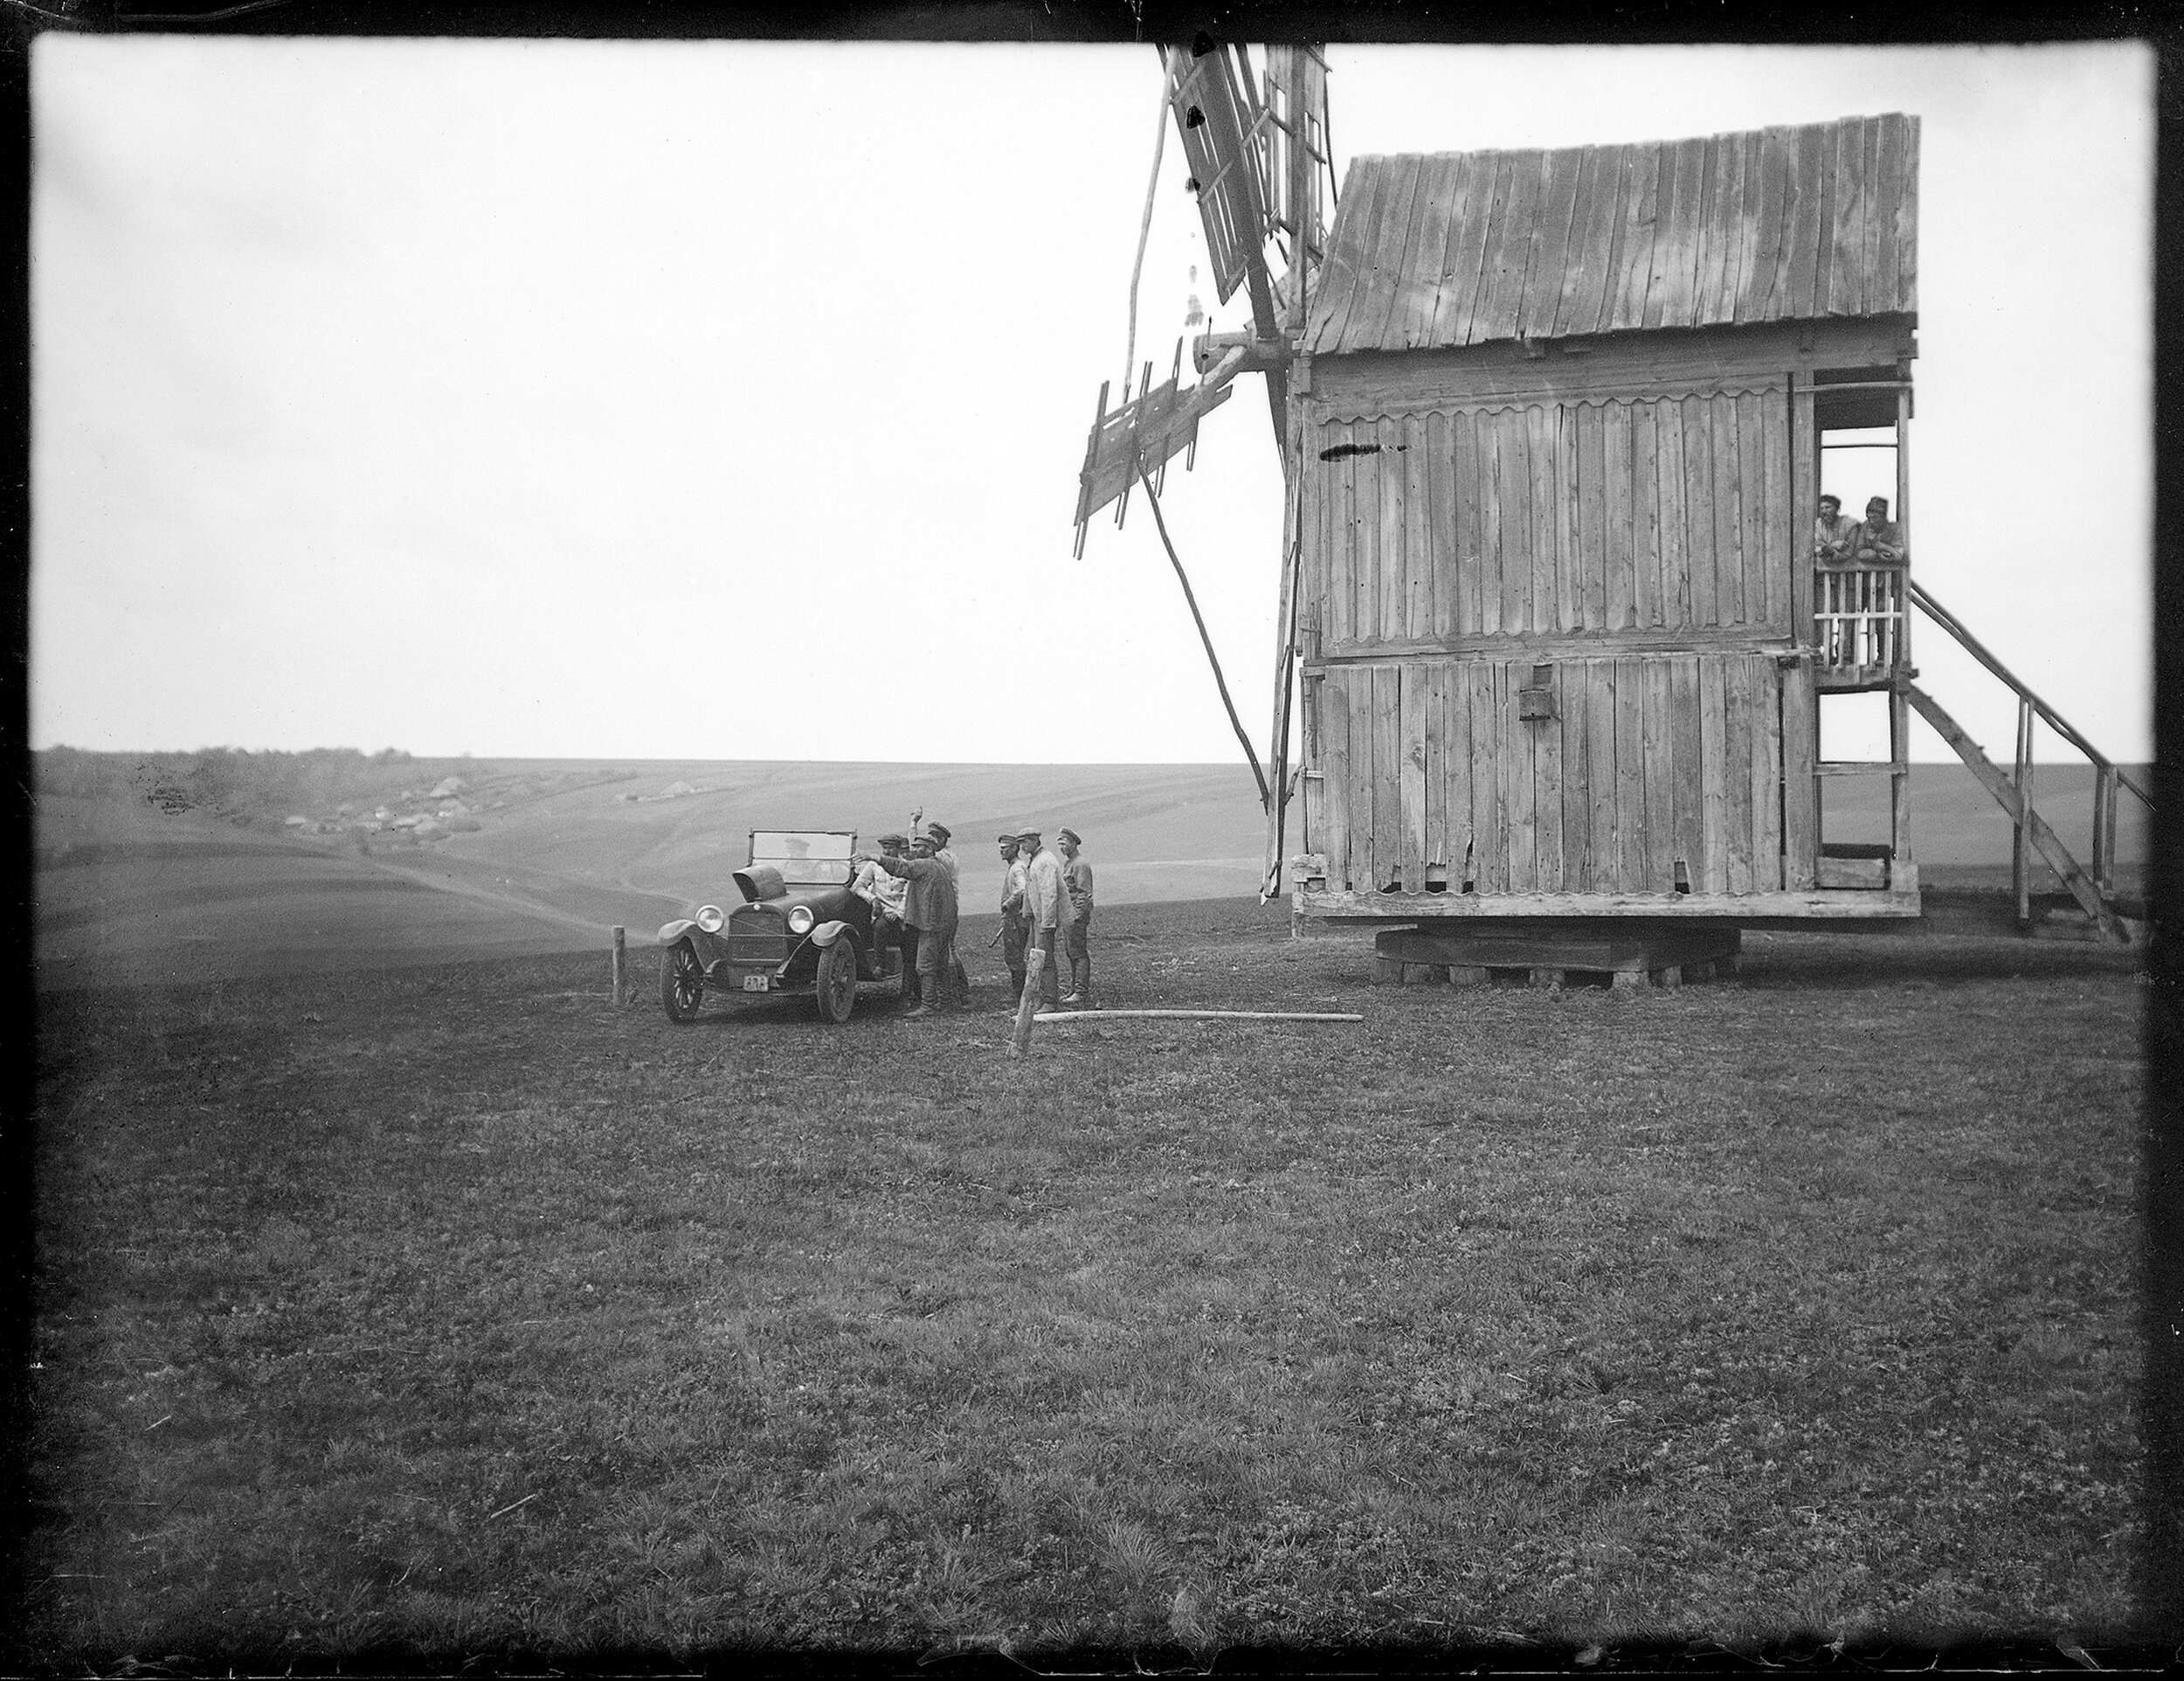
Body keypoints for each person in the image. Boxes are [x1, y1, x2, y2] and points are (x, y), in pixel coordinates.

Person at [860, 833, 960, 1017]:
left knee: (924, 965)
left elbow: (900, 867)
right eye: (914, 846)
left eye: (919, 846)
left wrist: (875, 857)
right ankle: (947, 1002)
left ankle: (929, 1004)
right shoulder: (938, 866)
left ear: (929, 849)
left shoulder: (925, 864)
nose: (914, 849)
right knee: (941, 963)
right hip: (943, 923)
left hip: (930, 925)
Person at [852, 833, 915, 999]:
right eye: (884, 848)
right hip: (883, 913)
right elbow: (857, 887)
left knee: (910, 948)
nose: (887, 852)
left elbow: (909, 894)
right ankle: (880, 966)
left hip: (904, 914)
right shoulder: (873, 866)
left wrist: (899, 913)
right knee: (880, 926)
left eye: (890, 848)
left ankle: (908, 991)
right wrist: (872, 899)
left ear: (898, 849)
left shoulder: (906, 866)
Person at [1018, 826, 1067, 1011]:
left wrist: (1047, 923)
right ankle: (1040, 999)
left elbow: (1049, 894)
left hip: (1044, 920)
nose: (1022, 846)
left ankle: (1050, 1001)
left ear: (1033, 840)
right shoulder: (1036, 860)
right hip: (1037, 919)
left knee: (1045, 960)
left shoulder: (1045, 861)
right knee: (1035, 958)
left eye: (1024, 842)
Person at [1056, 827, 1095, 1007]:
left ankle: (1080, 991)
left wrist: (1077, 916)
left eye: (1064, 843)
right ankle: (1074, 988)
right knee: (1071, 952)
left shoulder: (1080, 864)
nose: (1061, 847)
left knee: (1078, 953)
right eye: (1059, 844)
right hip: (1068, 914)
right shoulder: (1069, 863)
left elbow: (1084, 893)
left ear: (1073, 843)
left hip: (1075, 915)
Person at [997, 832, 1030, 1001]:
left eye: (1005, 848)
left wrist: (1008, 904)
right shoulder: (1014, 866)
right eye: (1000, 848)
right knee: (1013, 956)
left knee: (1014, 956)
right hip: (1014, 918)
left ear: (1014, 848)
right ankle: (1020, 993)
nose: (1001, 851)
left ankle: (1020, 995)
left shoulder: (1017, 868)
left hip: (1016, 918)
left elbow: (1022, 889)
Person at [1852, 495, 1907, 564]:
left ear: (1882, 516)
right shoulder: (1866, 526)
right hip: (1869, 569)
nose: (1871, 522)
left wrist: (1883, 546)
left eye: (1875, 518)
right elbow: (1859, 552)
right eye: (1869, 518)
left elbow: (1899, 555)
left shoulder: (1895, 528)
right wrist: (1876, 555)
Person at [1811, 493, 1857, 564]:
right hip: (1825, 569)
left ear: (1837, 508)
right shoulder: (1818, 524)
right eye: (1821, 508)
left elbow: (1849, 553)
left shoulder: (1849, 524)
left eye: (1827, 507)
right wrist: (1832, 546)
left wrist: (1826, 549)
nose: (1824, 511)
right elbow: (1814, 549)